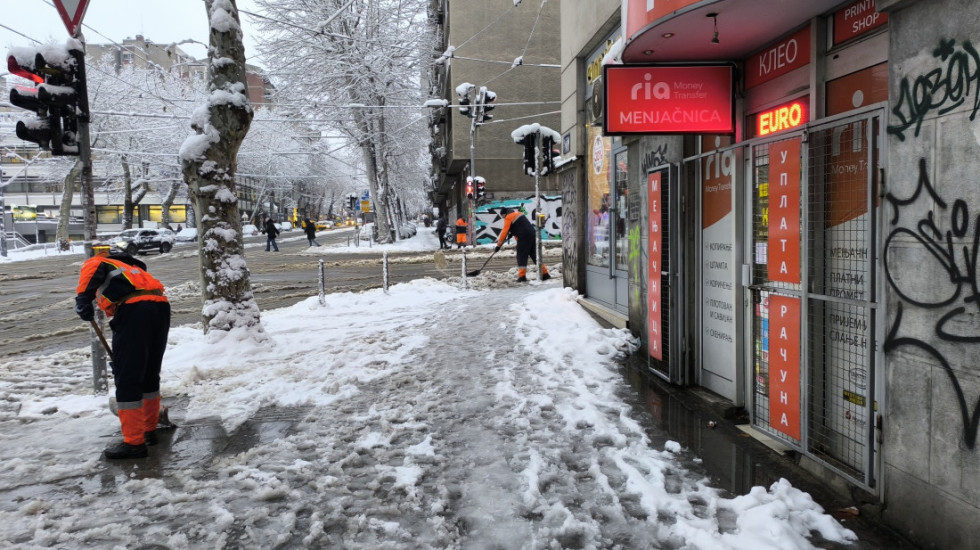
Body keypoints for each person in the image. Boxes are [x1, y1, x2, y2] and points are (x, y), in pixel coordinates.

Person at [74, 246, 171, 459]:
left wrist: (82, 300)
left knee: (127, 377)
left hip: (134, 309)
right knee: (148, 372)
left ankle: (134, 443)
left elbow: (93, 267)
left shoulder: (101, 260)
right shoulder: (132, 268)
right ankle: (148, 430)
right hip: (160, 306)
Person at [495, 207, 551, 282]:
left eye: (503, 217)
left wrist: (498, 245)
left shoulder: (508, 217)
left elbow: (504, 232)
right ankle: (545, 274)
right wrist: (512, 232)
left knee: (521, 256)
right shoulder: (519, 213)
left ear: (504, 214)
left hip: (523, 237)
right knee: (535, 255)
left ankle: (522, 277)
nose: (503, 218)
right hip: (532, 234)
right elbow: (521, 226)